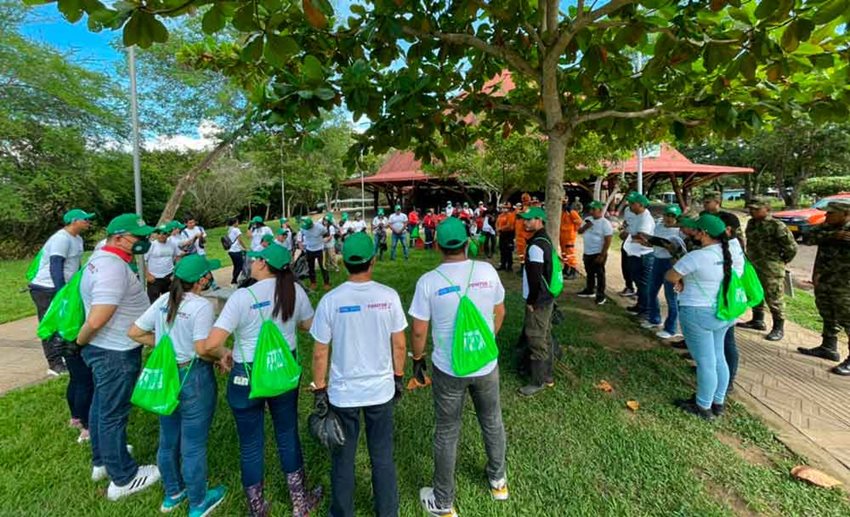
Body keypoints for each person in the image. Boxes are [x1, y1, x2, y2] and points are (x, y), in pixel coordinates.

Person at [200, 244, 322, 516]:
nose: (251, 262)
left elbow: (211, 344)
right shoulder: (294, 291)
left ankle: (257, 507)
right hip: (282, 371)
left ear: (264, 264)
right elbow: (308, 325)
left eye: (255, 258)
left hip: (247, 375)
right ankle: (300, 502)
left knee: (250, 443)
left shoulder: (242, 298)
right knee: (287, 433)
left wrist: (225, 354)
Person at [409, 217, 508, 516]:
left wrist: (417, 360)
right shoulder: (487, 271)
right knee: (492, 420)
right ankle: (498, 481)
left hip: (448, 370)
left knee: (447, 431)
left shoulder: (428, 281)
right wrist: (484, 344)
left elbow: (418, 331)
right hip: (486, 365)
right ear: (468, 242)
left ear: (437, 245)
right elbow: (499, 311)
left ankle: (443, 501)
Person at [310, 232, 407, 516]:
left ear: (345, 261)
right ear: (373, 260)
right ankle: (387, 512)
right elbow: (399, 344)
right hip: (381, 391)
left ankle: (341, 513)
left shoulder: (330, 300)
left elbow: (319, 352)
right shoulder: (388, 296)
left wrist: (319, 388)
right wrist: (398, 376)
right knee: (382, 456)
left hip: (343, 394)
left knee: (343, 458)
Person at [128, 255, 227, 516]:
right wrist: (221, 356)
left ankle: (173, 493)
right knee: (193, 444)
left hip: (167, 375)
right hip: (193, 377)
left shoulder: (164, 300)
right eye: (207, 274)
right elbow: (202, 349)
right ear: (201, 280)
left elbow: (135, 332)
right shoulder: (201, 306)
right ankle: (198, 502)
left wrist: (164, 347)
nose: (209, 278)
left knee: (168, 438)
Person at [77, 213, 161, 500]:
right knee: (113, 414)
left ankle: (102, 459)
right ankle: (123, 478)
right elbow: (99, 317)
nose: (144, 241)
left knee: (101, 405)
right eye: (138, 237)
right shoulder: (111, 268)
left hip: (105, 348)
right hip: (114, 352)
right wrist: (81, 339)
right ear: (118, 238)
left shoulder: (102, 253)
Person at [665, 214, 744, 421]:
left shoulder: (698, 257)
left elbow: (671, 276)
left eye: (698, 230)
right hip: (724, 312)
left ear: (705, 234)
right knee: (718, 357)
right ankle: (717, 402)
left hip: (698, 312)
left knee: (705, 361)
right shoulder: (732, 253)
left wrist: (683, 279)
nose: (695, 233)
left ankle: (702, 406)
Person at [29, 208, 94, 376]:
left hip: (65, 287)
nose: (88, 222)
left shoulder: (78, 239)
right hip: (46, 287)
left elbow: (76, 265)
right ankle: (54, 363)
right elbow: (55, 266)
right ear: (73, 221)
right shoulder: (61, 239)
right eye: (85, 219)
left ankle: (65, 354)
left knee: (66, 321)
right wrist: (61, 292)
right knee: (50, 324)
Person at [798, 199, 850, 374]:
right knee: (827, 313)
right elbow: (808, 238)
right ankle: (828, 347)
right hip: (825, 278)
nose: (827, 215)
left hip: (845, 283)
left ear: (846, 214)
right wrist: (832, 236)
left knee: (847, 319)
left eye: (831, 213)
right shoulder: (826, 227)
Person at [736, 197, 798, 341]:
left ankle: (778, 327)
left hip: (771, 268)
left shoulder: (777, 225)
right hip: (754, 264)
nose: (752, 212)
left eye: (756, 209)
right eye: (751, 209)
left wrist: (780, 262)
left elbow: (791, 247)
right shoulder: (752, 223)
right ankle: (757, 320)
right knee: (755, 292)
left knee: (774, 297)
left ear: (767, 209)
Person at [518, 206, 556, 396]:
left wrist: (532, 301)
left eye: (529, 219)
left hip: (539, 300)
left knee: (536, 338)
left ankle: (537, 381)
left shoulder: (535, 245)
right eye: (524, 219)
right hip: (547, 297)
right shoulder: (544, 240)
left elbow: (535, 277)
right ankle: (547, 375)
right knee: (545, 335)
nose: (525, 222)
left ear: (539, 221)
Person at [640, 204, 684, 338]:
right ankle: (654, 318)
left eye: (672, 216)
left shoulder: (679, 231)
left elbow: (680, 249)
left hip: (671, 263)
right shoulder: (658, 226)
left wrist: (670, 247)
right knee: (651, 291)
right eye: (667, 215)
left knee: (671, 297)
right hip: (657, 259)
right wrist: (647, 242)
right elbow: (654, 241)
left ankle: (671, 328)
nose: (669, 219)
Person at [622, 192, 656, 319]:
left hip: (643, 254)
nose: (630, 205)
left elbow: (643, 236)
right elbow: (629, 228)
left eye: (632, 203)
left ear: (641, 205)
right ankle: (640, 305)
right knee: (637, 281)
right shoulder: (635, 215)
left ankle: (646, 310)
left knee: (644, 283)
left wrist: (628, 236)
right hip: (633, 252)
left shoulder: (645, 218)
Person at [577, 201, 613, 305]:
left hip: (598, 252)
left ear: (600, 211)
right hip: (587, 251)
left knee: (600, 274)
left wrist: (602, 254)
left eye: (594, 209)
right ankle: (589, 290)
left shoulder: (605, 223)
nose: (591, 211)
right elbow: (579, 231)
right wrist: (586, 226)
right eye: (590, 209)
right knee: (589, 272)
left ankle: (601, 295)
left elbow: (608, 239)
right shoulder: (588, 220)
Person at [145, 225, 181, 302]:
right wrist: (148, 275)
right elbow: (143, 261)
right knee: (153, 303)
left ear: (168, 234)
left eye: (164, 233)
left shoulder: (172, 244)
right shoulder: (151, 245)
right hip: (154, 278)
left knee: (170, 301)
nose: (161, 235)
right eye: (159, 233)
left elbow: (178, 257)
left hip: (169, 276)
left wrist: (175, 273)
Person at [299, 216, 330, 290]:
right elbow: (300, 236)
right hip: (309, 250)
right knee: (310, 267)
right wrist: (301, 244)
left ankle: (326, 283)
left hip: (320, 250)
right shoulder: (303, 227)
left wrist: (325, 240)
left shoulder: (320, 227)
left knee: (323, 267)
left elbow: (327, 234)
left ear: (311, 224)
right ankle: (313, 282)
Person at [559, 199, 583, 279]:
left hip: (569, 237)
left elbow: (579, 222)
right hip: (563, 237)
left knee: (570, 254)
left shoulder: (571, 212)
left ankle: (573, 272)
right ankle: (566, 269)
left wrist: (574, 230)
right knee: (564, 254)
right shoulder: (563, 212)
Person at [226, 217, 247, 286]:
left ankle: (234, 281)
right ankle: (233, 281)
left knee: (236, 266)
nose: (238, 223)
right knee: (240, 266)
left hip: (230, 250)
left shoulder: (229, 229)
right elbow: (240, 240)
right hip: (236, 250)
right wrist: (245, 248)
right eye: (237, 222)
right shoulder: (236, 230)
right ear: (234, 223)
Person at [496, 202, 516, 272]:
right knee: (502, 250)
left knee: (508, 250)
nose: (504, 209)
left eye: (506, 208)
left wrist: (500, 228)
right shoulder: (500, 215)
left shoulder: (511, 215)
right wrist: (497, 229)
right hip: (502, 234)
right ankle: (503, 264)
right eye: (503, 207)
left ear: (509, 208)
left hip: (509, 234)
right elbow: (497, 223)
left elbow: (509, 226)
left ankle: (509, 266)